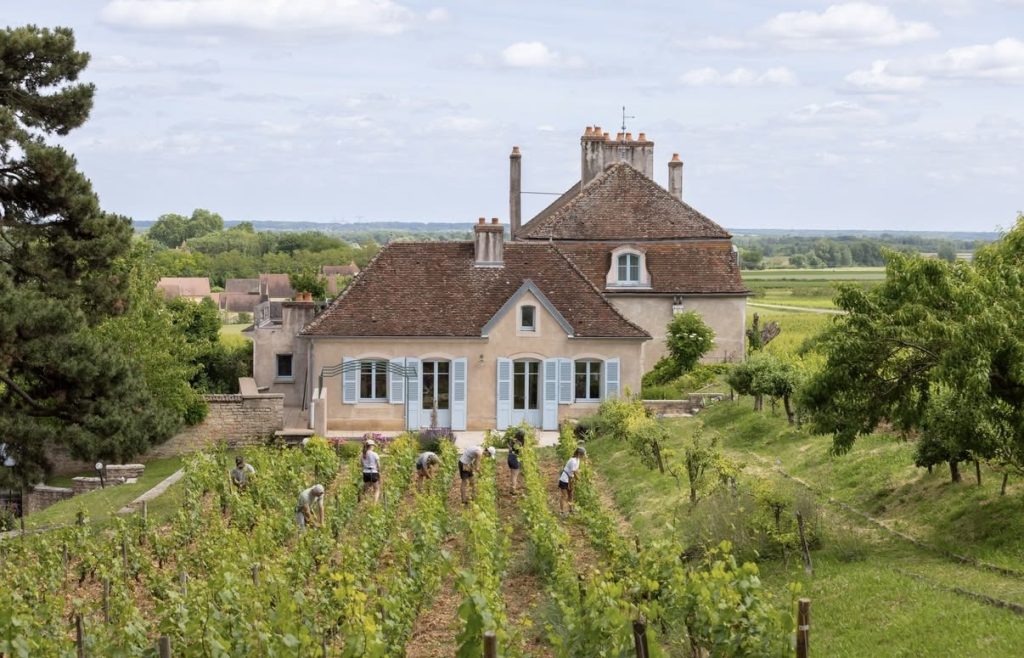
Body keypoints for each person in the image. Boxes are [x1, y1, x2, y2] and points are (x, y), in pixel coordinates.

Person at [558, 446, 586, 515]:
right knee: (564, 496)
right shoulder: (572, 461)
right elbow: (574, 472)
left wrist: (577, 479)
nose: (583, 456)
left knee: (571, 495)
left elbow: (576, 471)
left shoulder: (578, 460)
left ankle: (571, 510)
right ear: (579, 454)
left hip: (570, 479)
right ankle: (561, 511)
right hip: (564, 479)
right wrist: (579, 480)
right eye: (582, 455)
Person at [361, 439, 382, 504]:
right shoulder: (375, 454)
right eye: (373, 446)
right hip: (373, 472)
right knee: (377, 489)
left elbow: (361, 464)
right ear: (371, 446)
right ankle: (374, 504)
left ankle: (365, 504)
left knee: (366, 490)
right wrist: (379, 472)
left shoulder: (363, 455)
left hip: (365, 472)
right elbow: (378, 465)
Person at [507, 429, 525, 495]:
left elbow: (508, 446)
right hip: (515, 458)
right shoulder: (520, 443)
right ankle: (513, 490)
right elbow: (521, 453)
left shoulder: (512, 440)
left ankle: (511, 488)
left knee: (512, 474)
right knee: (515, 476)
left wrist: (511, 449)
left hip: (509, 457)